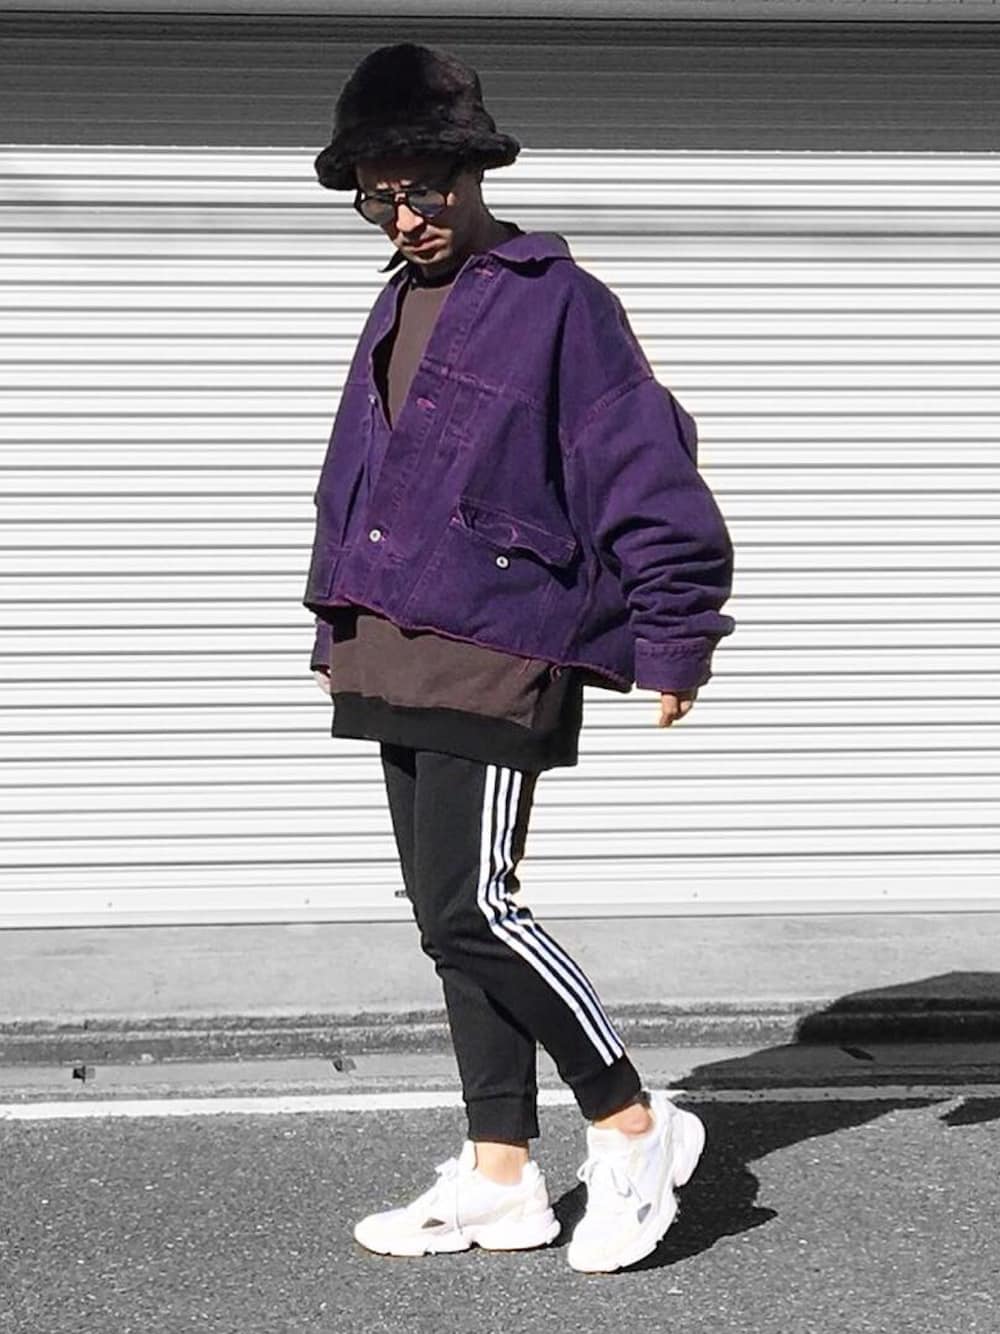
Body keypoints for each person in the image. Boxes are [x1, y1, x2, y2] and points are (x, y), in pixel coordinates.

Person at [304, 42, 736, 1274]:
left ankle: (633, 1121)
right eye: (376, 198)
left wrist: (676, 627)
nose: (404, 216)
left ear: (472, 169)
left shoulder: (558, 298)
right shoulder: (398, 298)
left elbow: (641, 462)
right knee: (444, 923)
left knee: (477, 905)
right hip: (391, 639)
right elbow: (360, 476)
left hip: (498, 637)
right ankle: (499, 1173)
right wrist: (332, 621)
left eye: (421, 188)